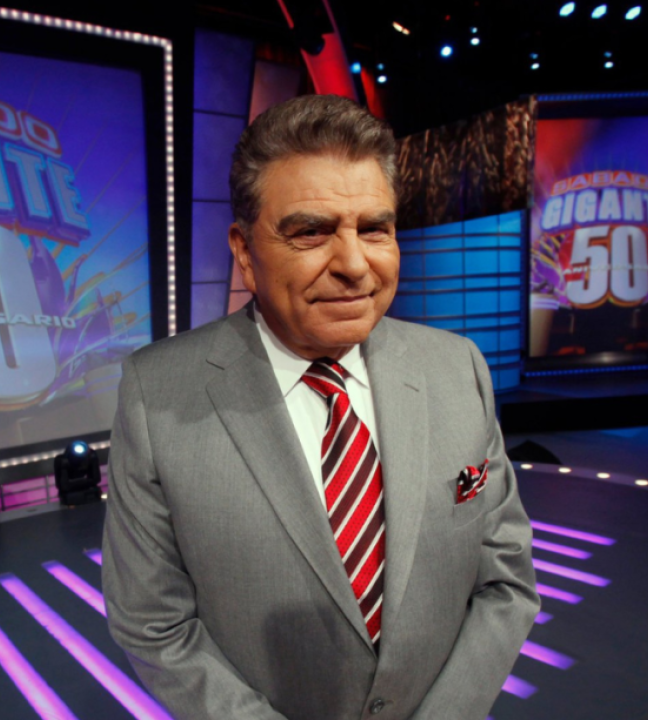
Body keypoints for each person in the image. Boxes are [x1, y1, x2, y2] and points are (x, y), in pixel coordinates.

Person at [101, 94, 539, 720]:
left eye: (375, 229)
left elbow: (506, 582)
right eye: (311, 232)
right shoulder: (157, 393)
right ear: (245, 252)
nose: (355, 265)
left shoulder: (457, 367)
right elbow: (154, 624)